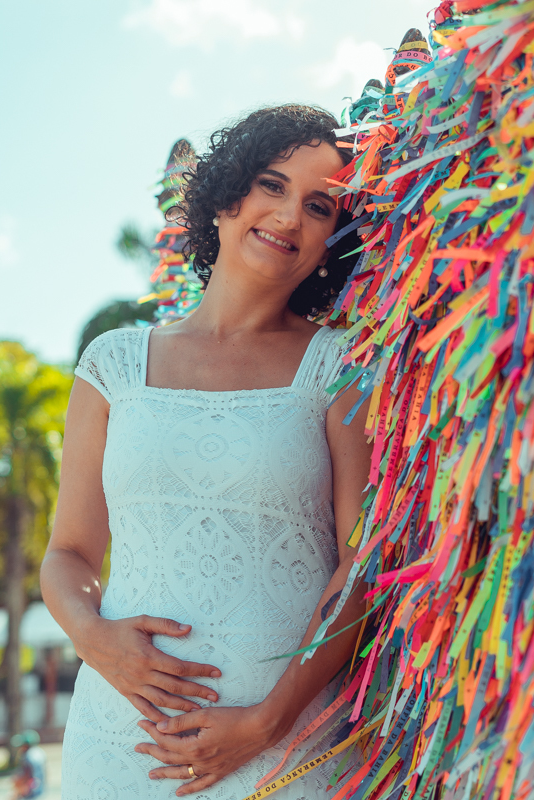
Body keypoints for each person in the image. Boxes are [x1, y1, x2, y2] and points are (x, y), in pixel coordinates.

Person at [42, 104, 372, 798]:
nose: (288, 216)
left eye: (319, 206)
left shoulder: (340, 367)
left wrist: (269, 720)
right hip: (121, 740)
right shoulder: (113, 365)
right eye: (272, 185)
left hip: (285, 749)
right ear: (225, 198)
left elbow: (360, 565)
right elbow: (68, 553)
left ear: (331, 239)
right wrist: (92, 639)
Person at [9, 731, 46, 799]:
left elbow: (26, 774)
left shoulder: (28, 756)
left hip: (29, 792)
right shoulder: (40, 752)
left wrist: (17, 791)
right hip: (40, 791)